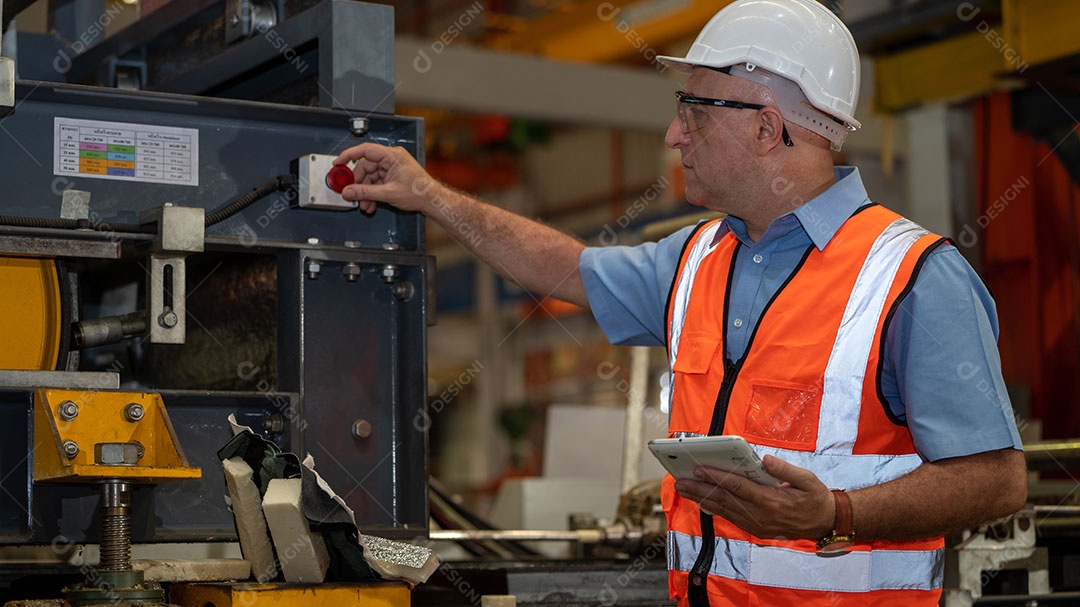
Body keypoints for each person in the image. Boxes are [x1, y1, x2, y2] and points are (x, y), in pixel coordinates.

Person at [333, 0, 1027, 604]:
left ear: (766, 128)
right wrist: (430, 196)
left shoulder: (913, 277)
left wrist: (836, 513)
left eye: (692, 112)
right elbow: (566, 267)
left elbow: (997, 481)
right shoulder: (696, 259)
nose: (674, 135)